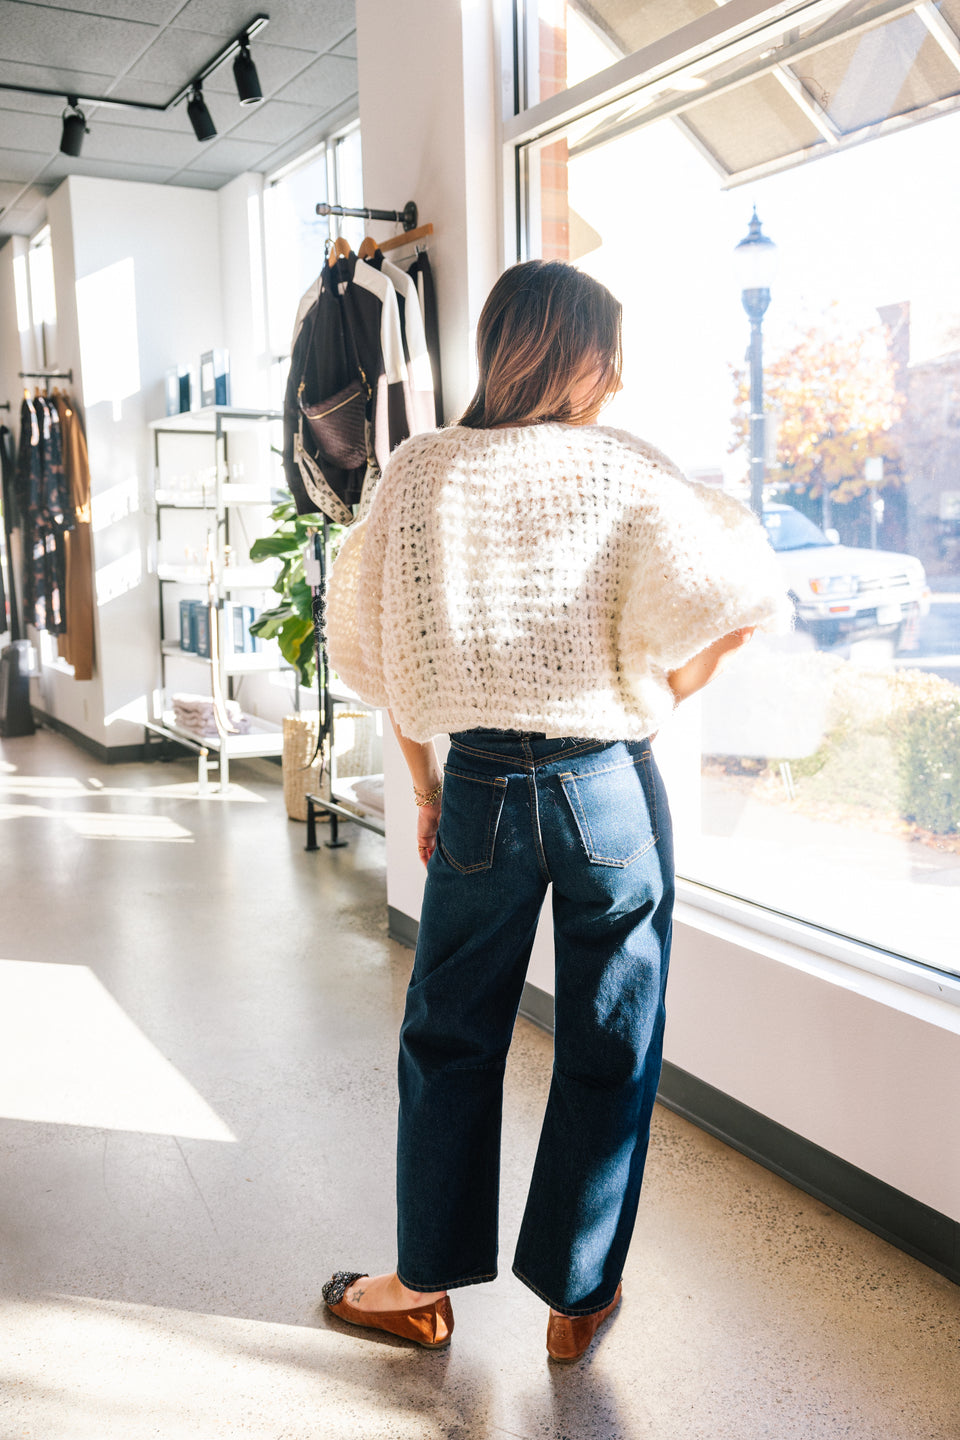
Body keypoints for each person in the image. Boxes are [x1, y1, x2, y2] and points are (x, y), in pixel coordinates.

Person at [322, 259, 790, 1360]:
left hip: (481, 785)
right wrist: (657, 699)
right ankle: (577, 1301)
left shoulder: (421, 470)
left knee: (448, 1036)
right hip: (608, 788)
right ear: (574, 353)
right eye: (607, 353)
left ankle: (422, 1287)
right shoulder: (629, 471)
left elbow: (384, 654)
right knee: (611, 1040)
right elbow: (735, 604)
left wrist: (431, 787)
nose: (617, 379)